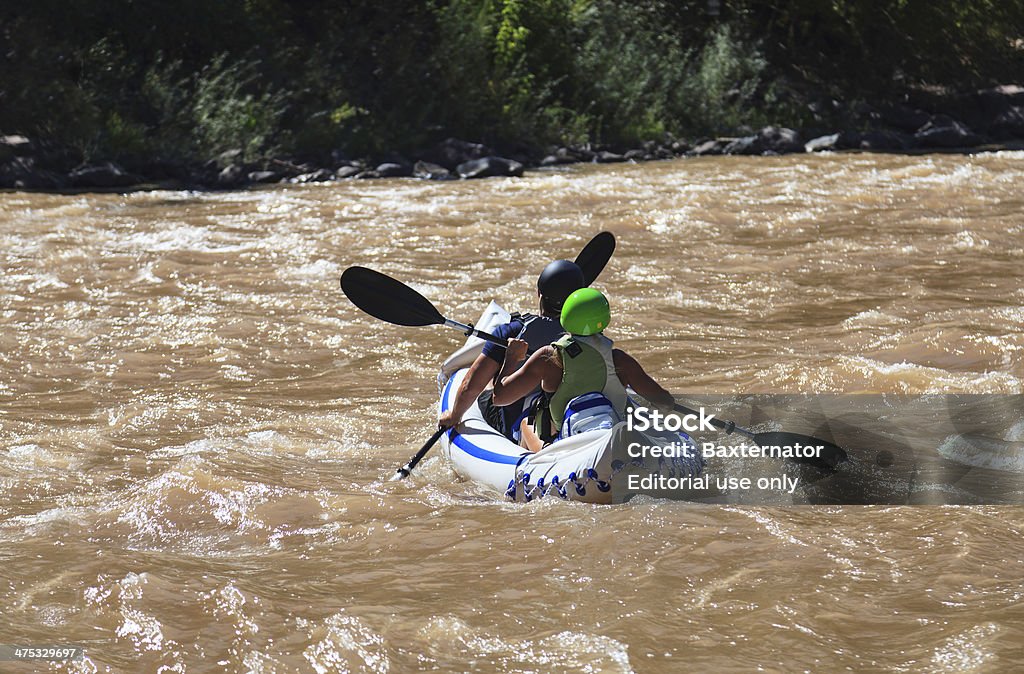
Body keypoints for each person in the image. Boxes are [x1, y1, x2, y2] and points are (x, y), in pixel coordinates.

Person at [491, 287, 674, 452]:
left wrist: (511, 358)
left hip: (566, 446)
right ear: (605, 320)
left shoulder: (548, 357)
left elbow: (500, 398)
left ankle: (535, 461)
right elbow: (664, 401)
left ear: (566, 317)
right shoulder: (619, 360)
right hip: (611, 440)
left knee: (525, 423)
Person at [437, 259, 586, 439]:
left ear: (539, 295)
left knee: (487, 389)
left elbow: (471, 386)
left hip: (519, 420)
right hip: (571, 415)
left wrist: (454, 415)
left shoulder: (512, 332)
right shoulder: (588, 334)